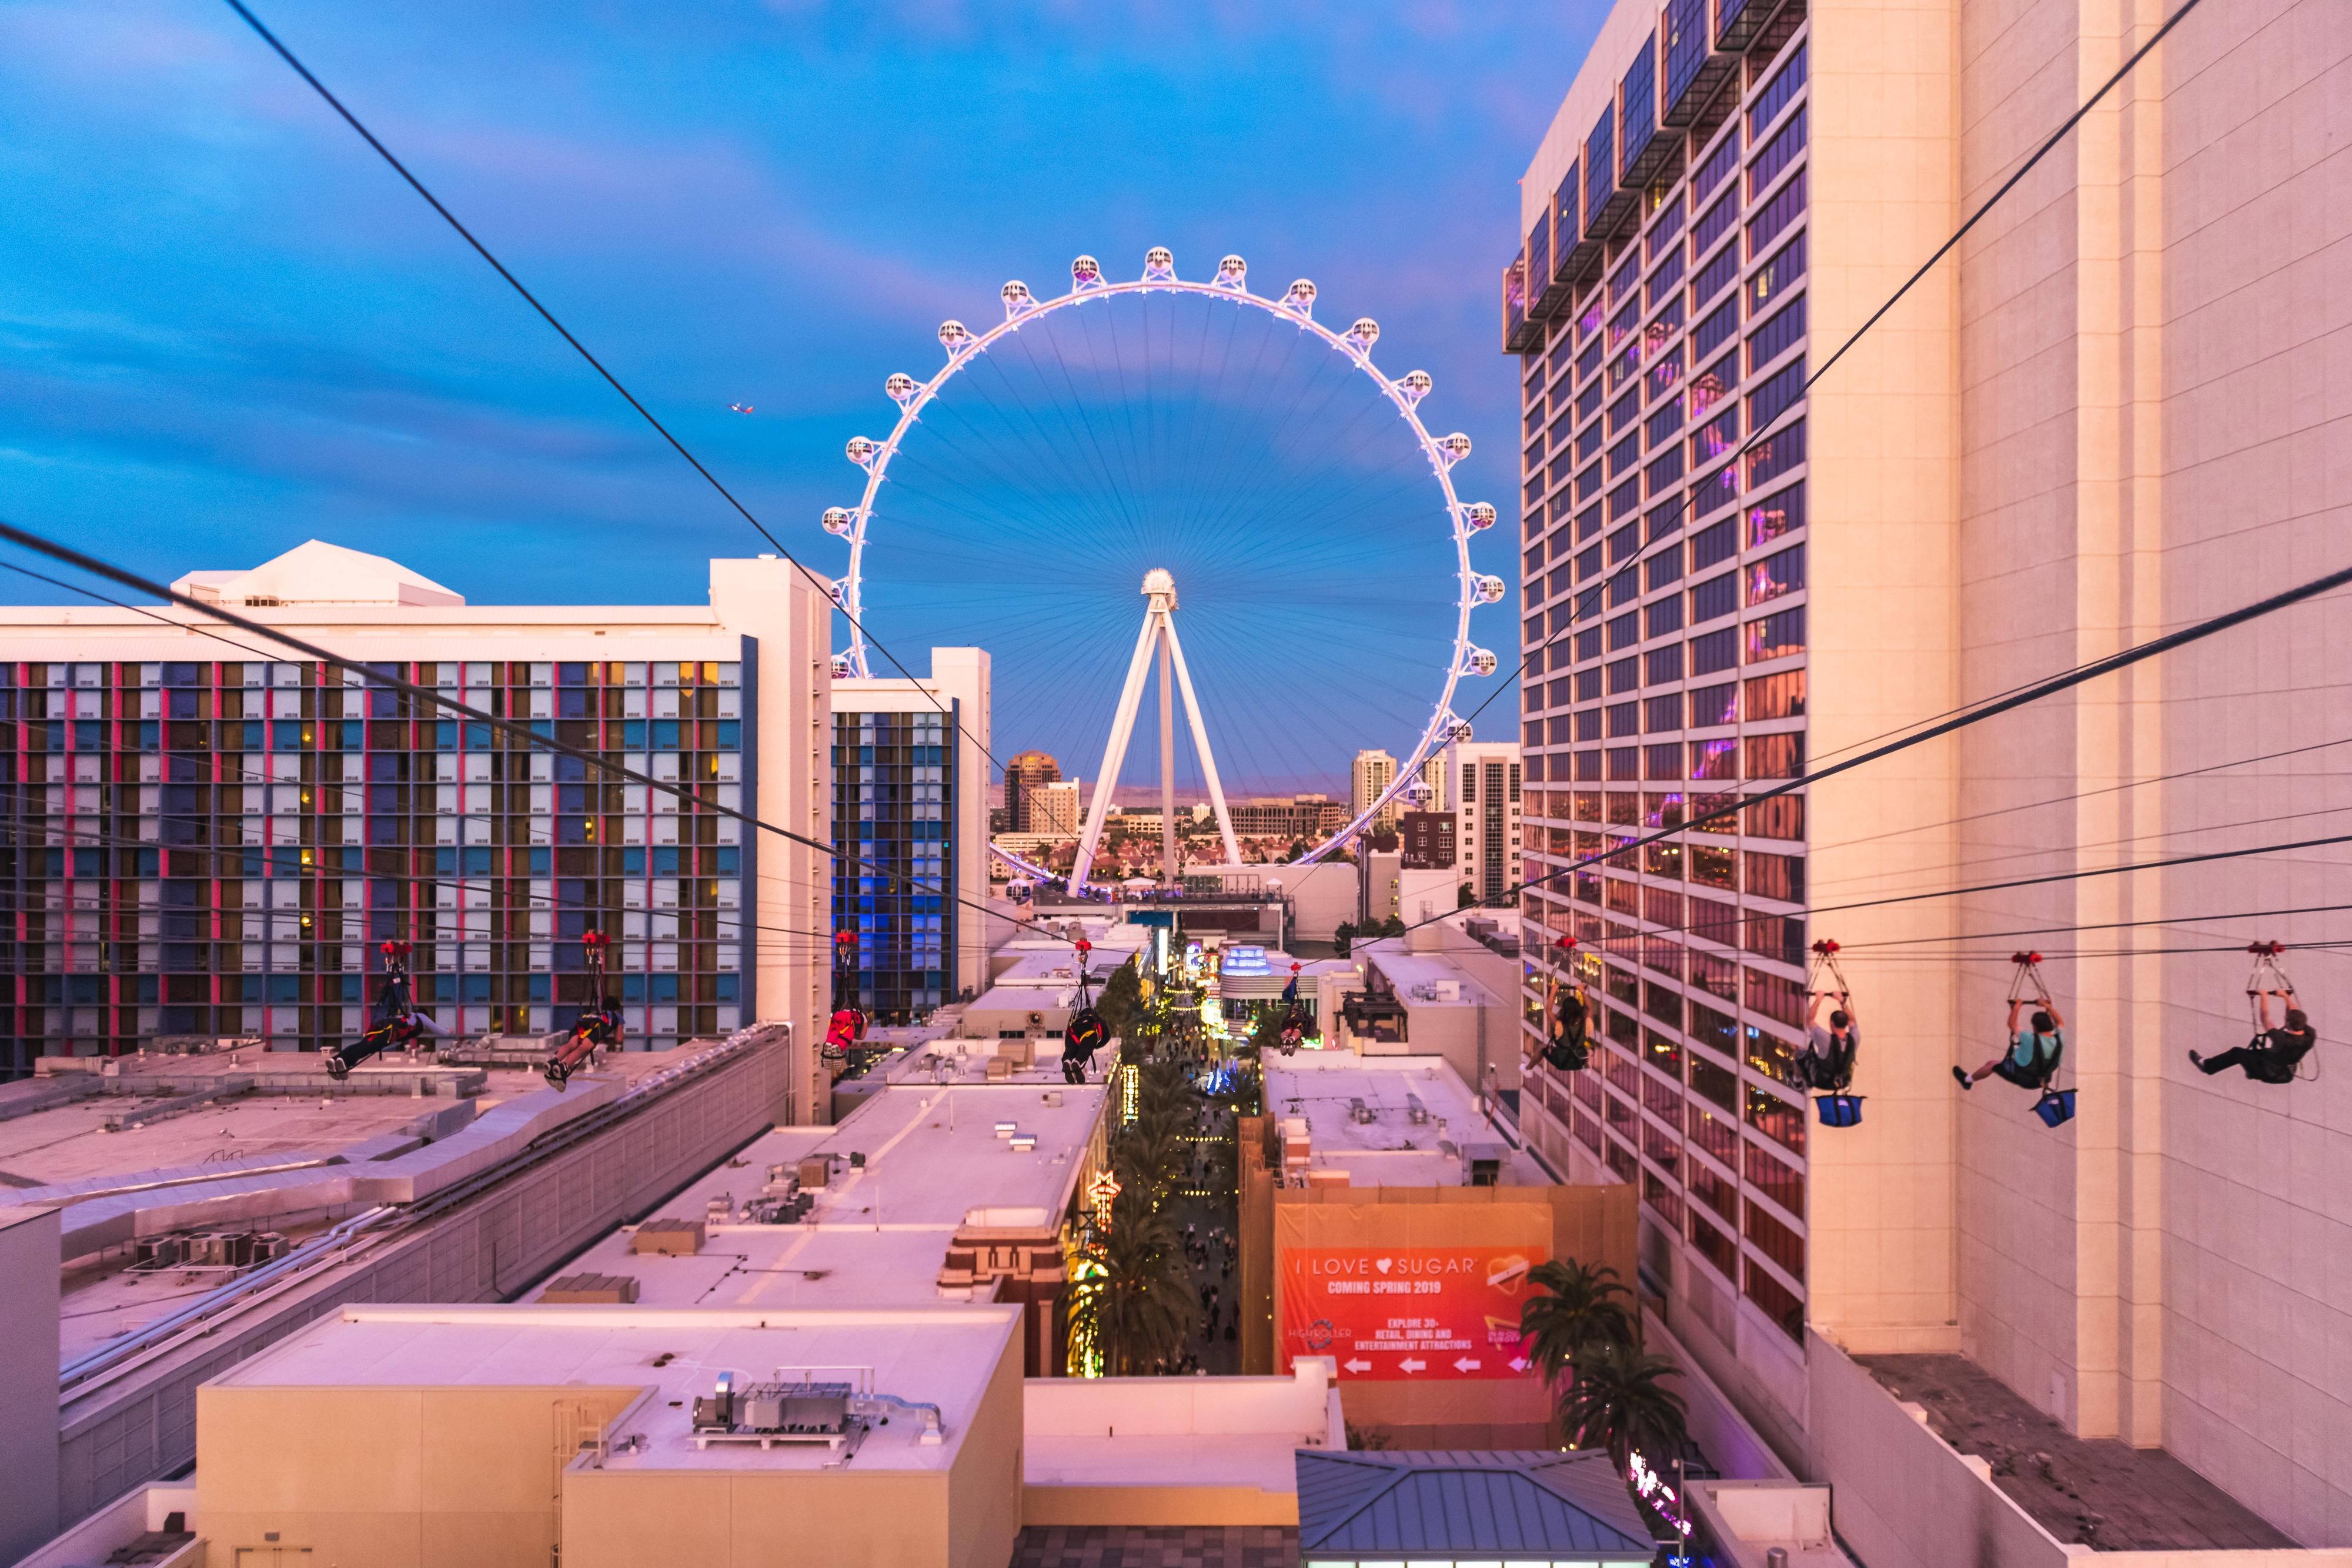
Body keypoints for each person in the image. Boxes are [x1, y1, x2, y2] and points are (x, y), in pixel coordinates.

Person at [2192, 989, 2316, 1083]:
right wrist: (2285, 996)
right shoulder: (2310, 1036)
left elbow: (2265, 1019)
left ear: (2288, 1023)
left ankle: (2207, 1066)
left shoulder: (2282, 1039)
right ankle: (2252, 1070)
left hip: (2270, 1074)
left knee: (2237, 1053)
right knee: (2261, 1052)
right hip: (2286, 1073)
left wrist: (2263, 996)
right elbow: (2295, 1015)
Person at [1956, 999, 2065, 1091]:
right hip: (2044, 1079)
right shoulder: (2059, 1038)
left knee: (1993, 1066)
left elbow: (2012, 1024)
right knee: (1992, 1063)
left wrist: (2017, 1006)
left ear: (2035, 1027)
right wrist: (2047, 1006)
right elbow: (2060, 1022)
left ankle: (1967, 1081)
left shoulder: (2030, 1038)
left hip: (2026, 1079)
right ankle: (1969, 1079)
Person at [1799, 990, 1859, 1092]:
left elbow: (1809, 1021)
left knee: (1800, 1054)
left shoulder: (1826, 1039)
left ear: (1831, 1023)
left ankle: (1797, 1080)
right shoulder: (1854, 1038)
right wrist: (1842, 1001)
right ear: (1846, 1024)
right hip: (1843, 1082)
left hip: (1821, 1081)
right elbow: (1852, 1021)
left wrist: (1818, 1000)